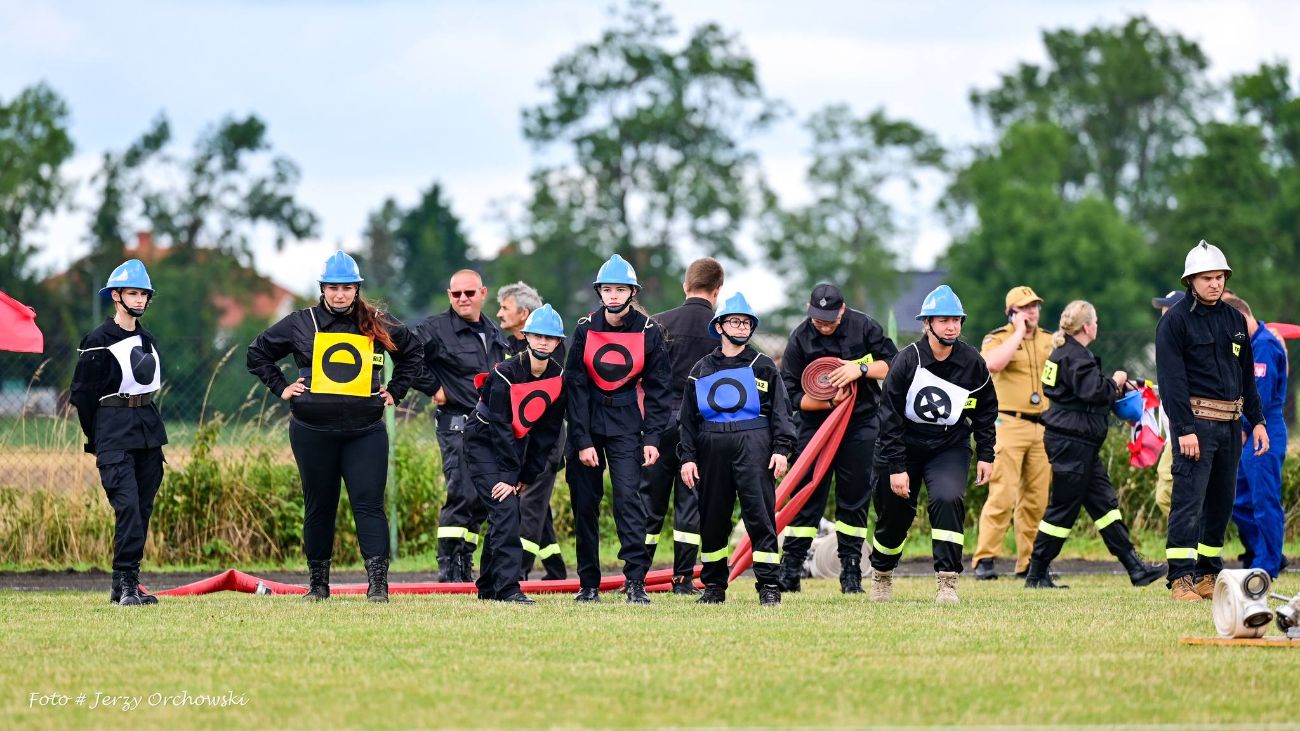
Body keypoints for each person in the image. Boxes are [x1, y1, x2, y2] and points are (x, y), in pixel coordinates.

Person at [246, 251, 423, 602]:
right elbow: (257, 353)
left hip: (365, 430)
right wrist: (281, 387)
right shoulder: (301, 322)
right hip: (312, 431)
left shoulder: (376, 321)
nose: (339, 294)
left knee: (369, 505)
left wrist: (397, 391)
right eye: (333, 288)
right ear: (322, 289)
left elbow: (413, 352)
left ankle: (377, 586)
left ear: (356, 289)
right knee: (319, 505)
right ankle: (318, 585)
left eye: (346, 288)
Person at [869, 285, 997, 605]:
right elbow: (889, 417)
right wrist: (897, 467)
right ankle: (882, 574)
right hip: (902, 444)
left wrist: (986, 454)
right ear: (927, 324)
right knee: (894, 515)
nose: (951, 326)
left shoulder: (972, 363)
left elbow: (986, 410)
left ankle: (947, 582)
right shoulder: (906, 360)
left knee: (947, 497)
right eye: (943, 321)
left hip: (948, 444)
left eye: (956, 320)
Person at [1023, 300, 1164, 589]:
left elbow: (1079, 390)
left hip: (1078, 443)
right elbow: (1094, 393)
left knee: (1105, 504)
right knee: (1062, 510)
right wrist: (1116, 381)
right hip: (1072, 443)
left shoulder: (1066, 352)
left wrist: (1115, 385)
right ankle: (1036, 574)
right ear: (1086, 326)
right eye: (1095, 321)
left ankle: (1135, 568)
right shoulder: (1076, 356)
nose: (1097, 325)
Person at [1156, 240, 1268, 601]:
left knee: (1221, 502)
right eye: (1207, 278)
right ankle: (1181, 578)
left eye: (1220, 277)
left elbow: (1247, 376)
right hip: (1196, 426)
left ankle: (1207, 574)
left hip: (1232, 426)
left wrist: (1259, 420)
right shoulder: (1175, 322)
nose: (1215, 284)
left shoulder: (1235, 320)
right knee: (1188, 500)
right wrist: (1184, 430)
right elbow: (1173, 383)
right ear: (1191, 280)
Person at [565, 254, 671, 604]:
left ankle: (635, 582)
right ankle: (588, 583)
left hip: (628, 423)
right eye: (607, 289)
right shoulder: (584, 328)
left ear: (632, 292)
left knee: (629, 501)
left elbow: (659, 390)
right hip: (588, 422)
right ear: (599, 292)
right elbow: (575, 387)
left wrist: (653, 437)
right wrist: (581, 440)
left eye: (620, 289)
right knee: (585, 505)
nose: (613, 295)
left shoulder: (649, 331)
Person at [778, 283, 897, 594]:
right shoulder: (800, 337)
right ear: (809, 310)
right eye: (819, 319)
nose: (824, 325)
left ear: (842, 310)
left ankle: (851, 571)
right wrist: (828, 402)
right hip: (814, 425)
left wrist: (859, 368)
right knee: (806, 495)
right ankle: (790, 570)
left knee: (854, 497)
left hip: (860, 423)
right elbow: (789, 394)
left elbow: (893, 364)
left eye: (830, 319)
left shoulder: (864, 326)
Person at [679, 293, 795, 605]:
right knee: (713, 518)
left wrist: (781, 449)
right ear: (719, 326)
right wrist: (688, 458)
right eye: (735, 321)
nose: (741, 327)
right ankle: (714, 586)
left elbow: (782, 412)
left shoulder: (764, 366)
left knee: (760, 516)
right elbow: (687, 420)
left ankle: (769, 586)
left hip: (754, 444)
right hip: (711, 446)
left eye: (746, 323)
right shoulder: (700, 369)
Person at [70, 259, 168, 606]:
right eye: (132, 293)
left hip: (147, 429)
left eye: (143, 294)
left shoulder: (147, 339)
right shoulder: (97, 340)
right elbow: (82, 397)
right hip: (112, 430)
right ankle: (128, 585)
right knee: (126, 507)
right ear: (116, 296)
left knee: (142, 509)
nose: (139, 300)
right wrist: (94, 441)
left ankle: (124, 585)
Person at [463, 304, 569, 604]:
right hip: (483, 441)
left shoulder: (558, 380)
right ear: (526, 336)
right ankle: (508, 588)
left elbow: (546, 434)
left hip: (514, 446)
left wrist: (525, 476)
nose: (543, 342)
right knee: (506, 509)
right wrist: (509, 477)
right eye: (537, 336)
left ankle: (487, 586)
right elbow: (500, 427)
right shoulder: (505, 373)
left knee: (504, 512)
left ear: (558, 342)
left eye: (550, 338)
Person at [412, 270, 510, 582]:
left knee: (483, 498)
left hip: (490, 428)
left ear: (483, 293)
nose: (463, 299)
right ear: (449, 295)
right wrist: (434, 388)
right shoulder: (436, 329)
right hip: (457, 424)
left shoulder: (494, 332)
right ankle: (448, 567)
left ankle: (465, 561)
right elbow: (407, 357)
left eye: (469, 293)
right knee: (462, 493)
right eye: (456, 294)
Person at [642, 257, 724, 595]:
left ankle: (637, 575)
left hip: (659, 422)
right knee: (690, 503)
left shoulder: (659, 324)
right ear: (717, 291)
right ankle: (683, 579)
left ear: (685, 286)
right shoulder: (722, 330)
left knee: (649, 502)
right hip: (701, 425)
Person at [972, 286, 1054, 580]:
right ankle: (985, 559)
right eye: (1024, 307)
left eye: (1034, 306)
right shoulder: (998, 338)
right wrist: (1018, 332)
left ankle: (1028, 563)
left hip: (1042, 424)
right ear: (1011, 312)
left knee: (1035, 499)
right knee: (1002, 493)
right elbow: (992, 364)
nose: (1032, 311)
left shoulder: (1049, 340)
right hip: (1007, 424)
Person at [496, 282, 568, 581]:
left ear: (524, 315)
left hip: (544, 444)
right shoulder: (512, 350)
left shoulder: (551, 357)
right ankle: (556, 569)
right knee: (539, 508)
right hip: (524, 442)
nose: (499, 314)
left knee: (530, 508)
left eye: (505, 308)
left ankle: (518, 572)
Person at [1224, 295, 1288, 578]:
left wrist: (1242, 430)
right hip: (1248, 427)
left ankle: (1268, 564)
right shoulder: (1247, 345)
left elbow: (1258, 397)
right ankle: (1261, 552)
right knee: (1237, 498)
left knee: (1264, 499)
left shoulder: (1264, 346)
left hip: (1263, 429)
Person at [1150, 290, 1186, 516]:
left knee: (1167, 494)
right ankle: (1187, 541)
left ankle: (1186, 541)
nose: (1163, 315)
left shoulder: (1184, 343)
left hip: (1184, 430)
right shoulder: (1170, 342)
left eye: (1167, 310)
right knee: (1167, 493)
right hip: (1177, 432)